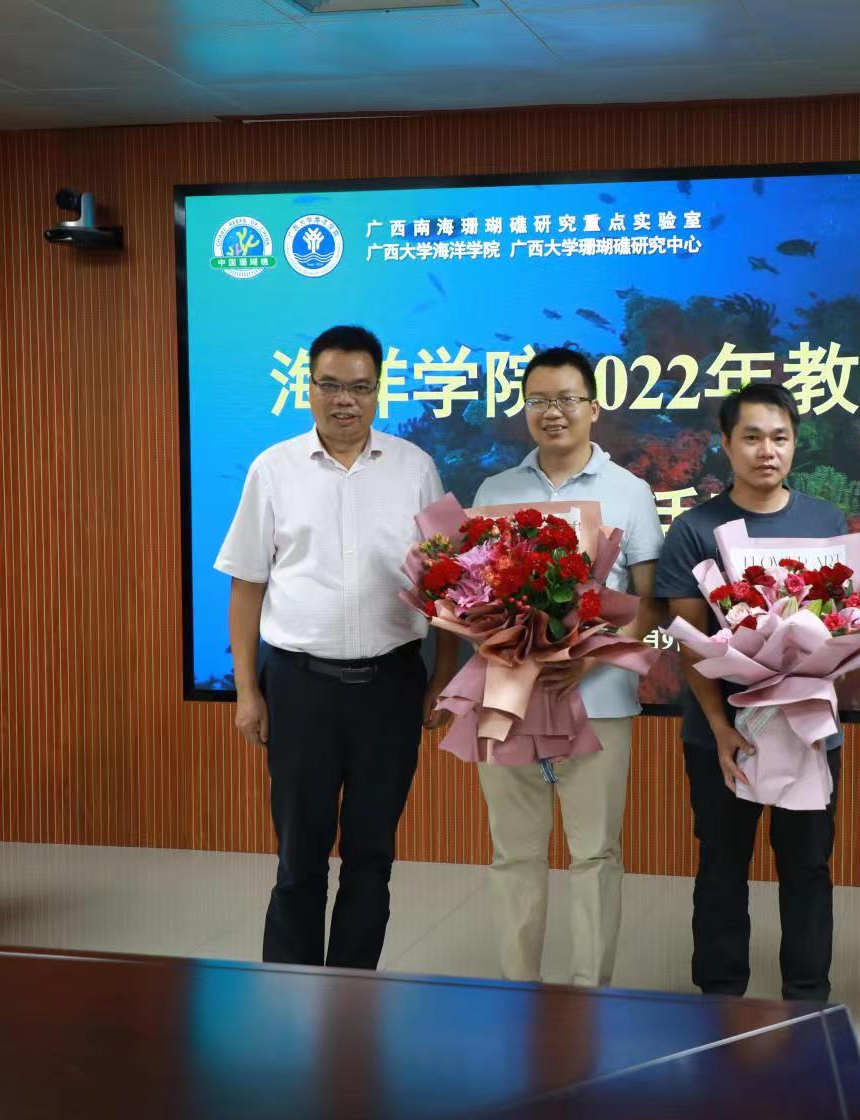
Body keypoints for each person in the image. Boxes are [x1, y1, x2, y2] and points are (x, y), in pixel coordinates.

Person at [216, 324, 457, 970]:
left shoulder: (416, 467)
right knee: (299, 855)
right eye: (330, 385)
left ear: (378, 391)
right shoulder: (273, 469)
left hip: (391, 687)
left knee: (372, 855)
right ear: (309, 387)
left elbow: (451, 584)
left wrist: (444, 679)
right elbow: (246, 586)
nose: (344, 400)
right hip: (300, 688)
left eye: (359, 387)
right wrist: (247, 691)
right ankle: (289, 992)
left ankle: (353, 991)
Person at [469, 347, 662, 987]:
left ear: (593, 408)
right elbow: (474, 596)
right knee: (513, 851)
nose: (553, 412)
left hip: (598, 699)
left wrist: (588, 657)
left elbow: (649, 600)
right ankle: (516, 988)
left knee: (595, 853)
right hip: (509, 699)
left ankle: (588, 993)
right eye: (540, 400)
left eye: (567, 399)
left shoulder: (630, 492)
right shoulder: (495, 492)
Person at [655, 382, 848, 1002]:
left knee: (807, 867)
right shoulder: (695, 528)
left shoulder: (825, 522)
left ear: (795, 443)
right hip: (722, 731)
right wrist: (718, 727)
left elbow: (842, 624)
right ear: (726, 444)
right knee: (722, 864)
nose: (768, 451)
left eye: (780, 437)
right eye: (752, 437)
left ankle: (806, 996)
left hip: (808, 728)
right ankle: (719, 998)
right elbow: (690, 642)